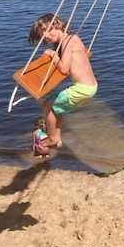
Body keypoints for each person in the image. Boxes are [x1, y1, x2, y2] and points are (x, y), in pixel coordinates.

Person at [28, 13, 97, 155]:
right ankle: (56, 139)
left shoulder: (67, 41)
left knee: (49, 106)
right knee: (54, 106)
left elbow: (64, 69)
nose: (46, 37)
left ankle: (53, 138)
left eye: (46, 32)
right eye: (42, 36)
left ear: (56, 25)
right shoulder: (73, 39)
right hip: (87, 87)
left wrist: (54, 56)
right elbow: (85, 54)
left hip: (83, 88)